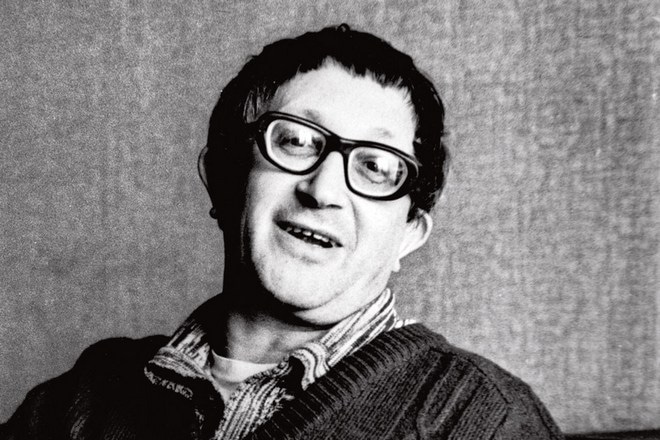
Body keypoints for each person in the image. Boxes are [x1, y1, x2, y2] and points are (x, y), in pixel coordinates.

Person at [1, 24, 564, 439]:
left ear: (410, 233)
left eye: (376, 166)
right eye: (296, 141)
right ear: (224, 179)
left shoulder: (483, 418)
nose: (324, 190)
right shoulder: (81, 400)